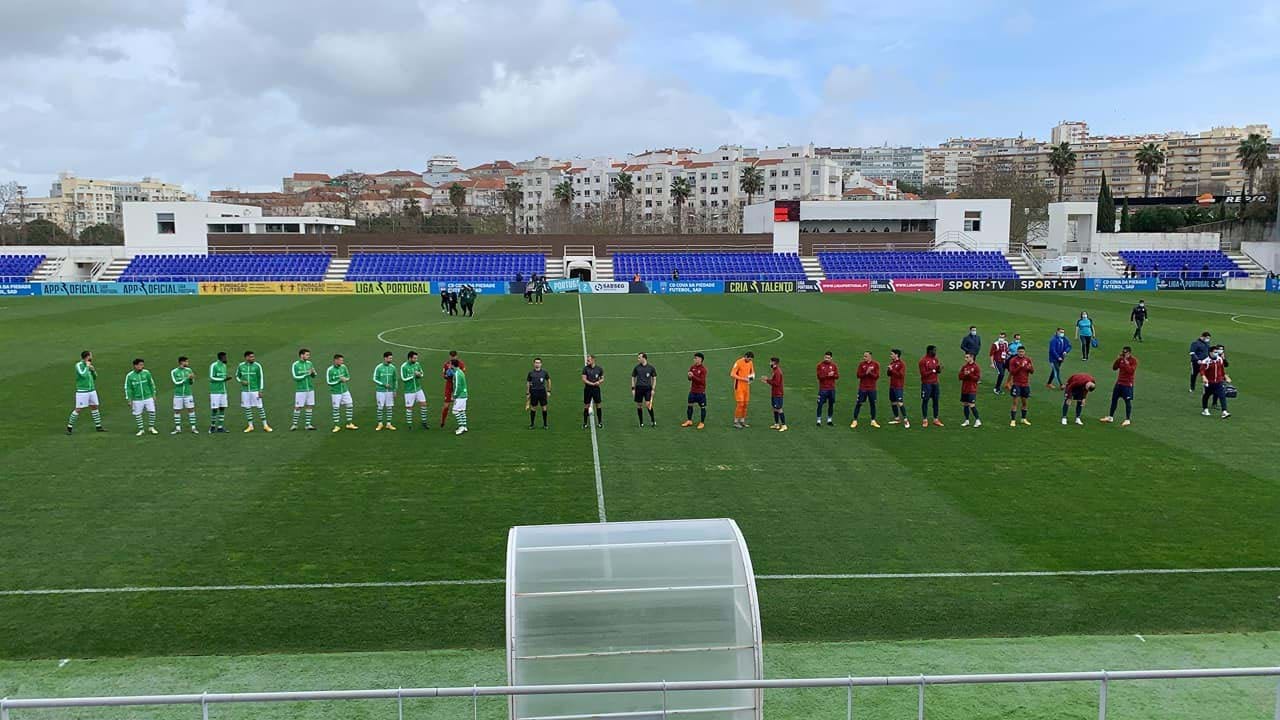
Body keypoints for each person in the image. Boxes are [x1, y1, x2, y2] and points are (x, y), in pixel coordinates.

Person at [68, 350, 105, 434]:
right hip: (82, 391)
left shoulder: (89, 365)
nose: (92, 357)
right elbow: (83, 375)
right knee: (78, 409)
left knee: (94, 406)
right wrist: (87, 367)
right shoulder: (79, 365)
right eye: (91, 355)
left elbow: (95, 377)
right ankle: (69, 426)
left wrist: (93, 370)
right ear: (87, 356)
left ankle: (98, 426)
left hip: (92, 390)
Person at [1100, 347, 1138, 426]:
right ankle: (1110, 417)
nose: (1125, 354)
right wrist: (1118, 360)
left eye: (1126, 353)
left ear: (1129, 353)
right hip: (1119, 383)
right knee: (1114, 400)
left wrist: (1125, 362)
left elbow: (1130, 371)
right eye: (1124, 353)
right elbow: (1114, 368)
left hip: (1127, 384)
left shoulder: (1133, 361)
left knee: (1127, 402)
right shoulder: (1121, 359)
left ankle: (1127, 419)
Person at [236, 351, 270, 433]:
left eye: (253, 357)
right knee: (247, 408)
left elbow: (261, 378)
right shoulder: (241, 366)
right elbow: (237, 376)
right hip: (245, 391)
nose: (253, 358)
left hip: (255, 390)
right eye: (251, 357)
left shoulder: (257, 366)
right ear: (246, 357)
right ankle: (250, 426)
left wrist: (260, 390)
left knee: (260, 407)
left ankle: (265, 425)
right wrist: (241, 381)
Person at [124, 358, 158, 437]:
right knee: (138, 414)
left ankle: (151, 427)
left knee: (152, 412)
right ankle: (141, 429)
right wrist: (129, 399)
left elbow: (151, 384)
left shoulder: (146, 373)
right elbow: (128, 388)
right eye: (140, 365)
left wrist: (154, 394)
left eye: (142, 365)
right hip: (137, 399)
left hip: (148, 396)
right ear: (135, 366)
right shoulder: (129, 376)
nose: (142, 366)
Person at [327, 354, 357, 432]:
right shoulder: (330, 370)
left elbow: (348, 377)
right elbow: (329, 382)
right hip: (335, 392)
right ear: (335, 360)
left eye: (342, 360)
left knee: (350, 405)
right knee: (336, 408)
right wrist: (338, 381)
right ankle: (336, 426)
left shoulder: (344, 367)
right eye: (340, 360)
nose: (342, 362)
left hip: (345, 390)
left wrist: (345, 379)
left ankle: (349, 423)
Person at [1199, 345, 1231, 419]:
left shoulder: (1219, 359)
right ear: (1210, 353)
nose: (1216, 353)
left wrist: (1225, 377)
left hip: (1219, 382)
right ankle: (1205, 409)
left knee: (1222, 396)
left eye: (1217, 352)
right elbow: (1202, 371)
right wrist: (1204, 377)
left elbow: (1222, 370)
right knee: (1206, 395)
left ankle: (1224, 411)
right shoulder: (1206, 361)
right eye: (1215, 352)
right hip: (1209, 382)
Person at [851, 351, 880, 428]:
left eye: (866, 356)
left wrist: (870, 373)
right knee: (859, 403)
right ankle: (855, 420)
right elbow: (858, 375)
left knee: (872, 404)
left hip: (872, 388)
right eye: (864, 356)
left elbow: (877, 376)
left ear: (870, 357)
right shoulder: (861, 364)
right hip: (863, 388)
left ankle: (873, 420)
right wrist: (866, 373)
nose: (864, 358)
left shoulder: (875, 364)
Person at [400, 351, 429, 429]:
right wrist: (413, 376)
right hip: (409, 391)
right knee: (409, 408)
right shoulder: (404, 366)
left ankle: (424, 422)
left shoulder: (417, 364)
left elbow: (422, 373)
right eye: (414, 358)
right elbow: (403, 378)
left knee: (424, 404)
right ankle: (409, 424)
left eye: (416, 358)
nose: (416, 359)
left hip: (418, 389)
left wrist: (419, 375)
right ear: (410, 358)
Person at [170, 356, 198, 435]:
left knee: (191, 409)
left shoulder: (189, 370)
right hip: (178, 395)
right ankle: (178, 428)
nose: (188, 363)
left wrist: (191, 379)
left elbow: (191, 383)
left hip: (188, 394)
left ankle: (193, 428)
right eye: (186, 362)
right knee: (177, 410)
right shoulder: (174, 371)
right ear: (182, 362)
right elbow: (176, 382)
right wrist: (187, 378)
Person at [291, 348, 317, 432]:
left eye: (309, 355)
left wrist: (313, 373)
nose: (308, 356)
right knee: (298, 407)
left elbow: (314, 375)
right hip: (301, 390)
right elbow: (295, 377)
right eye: (307, 355)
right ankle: (294, 424)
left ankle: (308, 424)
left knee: (310, 406)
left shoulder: (310, 363)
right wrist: (306, 374)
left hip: (310, 388)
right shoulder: (295, 364)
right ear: (301, 355)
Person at [1007, 346, 1034, 427]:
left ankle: (1023, 419)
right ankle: (1013, 420)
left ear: (1024, 352)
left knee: (1024, 402)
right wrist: (1020, 366)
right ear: (1017, 352)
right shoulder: (1013, 360)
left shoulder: (1028, 359)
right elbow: (1012, 372)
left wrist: (1029, 368)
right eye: (1019, 352)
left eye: (1022, 352)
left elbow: (1032, 371)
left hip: (1025, 384)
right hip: (1016, 384)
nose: (1021, 353)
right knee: (1015, 402)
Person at [918, 345, 943, 428]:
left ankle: (936, 419)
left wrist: (939, 369)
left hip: (935, 383)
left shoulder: (935, 360)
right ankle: (925, 419)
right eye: (934, 351)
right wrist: (933, 370)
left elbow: (937, 371)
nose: (935, 352)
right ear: (929, 351)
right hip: (926, 384)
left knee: (936, 401)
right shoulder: (923, 361)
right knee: (925, 401)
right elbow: (923, 374)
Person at [373, 351, 399, 431]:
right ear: (385, 358)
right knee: (380, 407)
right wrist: (383, 384)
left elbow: (395, 380)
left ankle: (388, 424)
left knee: (389, 407)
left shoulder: (393, 368)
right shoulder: (379, 367)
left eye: (391, 358)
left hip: (390, 391)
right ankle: (380, 423)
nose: (391, 359)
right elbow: (374, 379)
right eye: (390, 358)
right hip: (380, 391)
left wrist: (395, 390)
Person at [631, 352, 658, 427]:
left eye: (639, 357)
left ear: (644, 358)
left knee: (648, 404)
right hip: (639, 388)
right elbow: (633, 377)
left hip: (647, 389)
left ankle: (653, 420)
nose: (638, 359)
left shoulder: (651, 368)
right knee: (639, 405)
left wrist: (653, 389)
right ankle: (641, 422)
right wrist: (633, 388)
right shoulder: (637, 368)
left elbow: (654, 378)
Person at [730, 351, 755, 429]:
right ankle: (736, 421)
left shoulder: (750, 362)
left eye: (751, 359)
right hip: (739, 386)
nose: (749, 360)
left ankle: (742, 421)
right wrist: (743, 379)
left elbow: (752, 372)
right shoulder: (738, 362)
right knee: (740, 403)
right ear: (745, 356)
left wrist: (752, 377)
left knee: (745, 404)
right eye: (749, 359)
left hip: (746, 386)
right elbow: (732, 374)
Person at [682, 352, 708, 429]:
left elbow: (702, 381)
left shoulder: (703, 369)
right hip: (693, 391)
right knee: (690, 405)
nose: (694, 359)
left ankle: (702, 422)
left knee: (702, 407)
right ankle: (689, 420)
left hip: (700, 392)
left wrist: (693, 376)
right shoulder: (692, 367)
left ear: (700, 359)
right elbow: (690, 379)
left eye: (696, 358)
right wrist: (689, 376)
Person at [440, 351, 465, 427]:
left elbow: (462, 374)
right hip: (449, 387)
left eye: (454, 356)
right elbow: (444, 376)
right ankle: (443, 421)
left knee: (460, 408)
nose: (453, 358)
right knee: (446, 406)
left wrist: (453, 373)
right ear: (450, 356)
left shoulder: (461, 364)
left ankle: (462, 425)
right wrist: (448, 374)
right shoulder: (446, 364)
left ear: (456, 356)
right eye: (451, 357)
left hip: (457, 386)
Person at [886, 349, 910, 428]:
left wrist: (892, 369)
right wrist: (889, 369)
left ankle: (906, 420)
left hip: (898, 386)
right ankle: (897, 418)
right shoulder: (892, 363)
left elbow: (901, 375)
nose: (890, 355)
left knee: (900, 403)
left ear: (896, 355)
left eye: (892, 354)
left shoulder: (901, 364)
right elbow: (889, 374)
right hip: (892, 386)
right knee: (893, 402)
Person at [762, 356, 786, 431]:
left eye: (770, 362)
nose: (769, 363)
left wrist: (767, 380)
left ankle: (784, 425)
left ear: (774, 363)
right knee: (774, 408)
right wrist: (767, 381)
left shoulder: (777, 372)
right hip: (774, 393)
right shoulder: (774, 370)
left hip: (778, 393)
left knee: (779, 408)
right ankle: (776, 424)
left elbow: (776, 383)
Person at [958, 352, 982, 428]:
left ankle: (978, 420)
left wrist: (970, 374)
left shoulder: (976, 367)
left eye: (967, 357)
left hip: (972, 389)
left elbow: (977, 378)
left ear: (972, 357)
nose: (966, 359)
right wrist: (965, 374)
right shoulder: (964, 367)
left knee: (972, 405)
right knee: (965, 404)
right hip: (964, 389)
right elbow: (960, 377)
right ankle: (967, 420)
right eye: (965, 357)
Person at [526, 357, 551, 429]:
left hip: (542, 392)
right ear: (534, 364)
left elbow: (549, 380)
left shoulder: (544, 372)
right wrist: (527, 392)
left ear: (541, 364)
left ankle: (545, 424)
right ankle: (532, 424)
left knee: (544, 408)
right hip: (534, 392)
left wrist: (549, 391)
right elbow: (528, 382)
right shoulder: (531, 373)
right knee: (533, 408)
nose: (537, 364)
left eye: (539, 363)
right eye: (536, 363)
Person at [815, 351, 839, 426]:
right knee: (820, 404)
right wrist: (828, 375)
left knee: (831, 404)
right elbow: (819, 377)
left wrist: (833, 375)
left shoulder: (834, 366)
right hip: (823, 389)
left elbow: (837, 376)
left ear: (831, 358)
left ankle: (829, 419)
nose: (827, 359)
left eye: (828, 358)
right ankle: (818, 420)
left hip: (831, 389)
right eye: (825, 357)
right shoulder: (820, 365)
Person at [208, 351, 229, 433]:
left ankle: (220, 427)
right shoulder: (214, 365)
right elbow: (211, 377)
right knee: (214, 409)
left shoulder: (224, 366)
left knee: (222, 408)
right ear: (221, 357)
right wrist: (223, 379)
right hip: (215, 391)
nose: (226, 359)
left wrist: (225, 379)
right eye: (225, 357)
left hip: (223, 391)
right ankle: (213, 426)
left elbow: (223, 377)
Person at [582, 354, 604, 429]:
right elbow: (584, 379)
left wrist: (599, 382)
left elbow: (602, 378)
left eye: (588, 360)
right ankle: (585, 423)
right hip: (588, 389)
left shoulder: (599, 369)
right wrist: (592, 383)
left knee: (598, 405)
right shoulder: (585, 369)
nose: (587, 361)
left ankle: (600, 422)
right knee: (586, 405)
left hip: (596, 389)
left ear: (593, 360)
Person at [447, 358, 469, 435]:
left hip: (460, 396)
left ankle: (461, 427)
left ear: (453, 365)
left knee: (455, 411)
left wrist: (454, 396)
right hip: (464, 394)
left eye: (450, 364)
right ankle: (464, 426)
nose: (449, 365)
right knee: (462, 411)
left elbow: (457, 386)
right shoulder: (460, 372)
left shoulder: (457, 373)